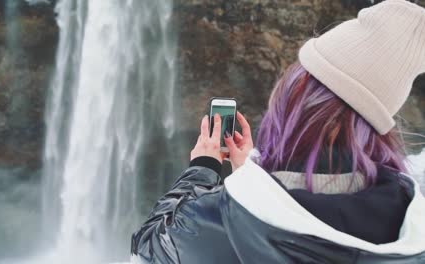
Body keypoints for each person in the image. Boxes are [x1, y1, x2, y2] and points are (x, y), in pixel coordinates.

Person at [131, 0, 425, 263]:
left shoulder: (227, 222)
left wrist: (203, 167)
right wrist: (252, 175)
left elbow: (149, 249)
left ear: (297, 103)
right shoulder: (408, 228)